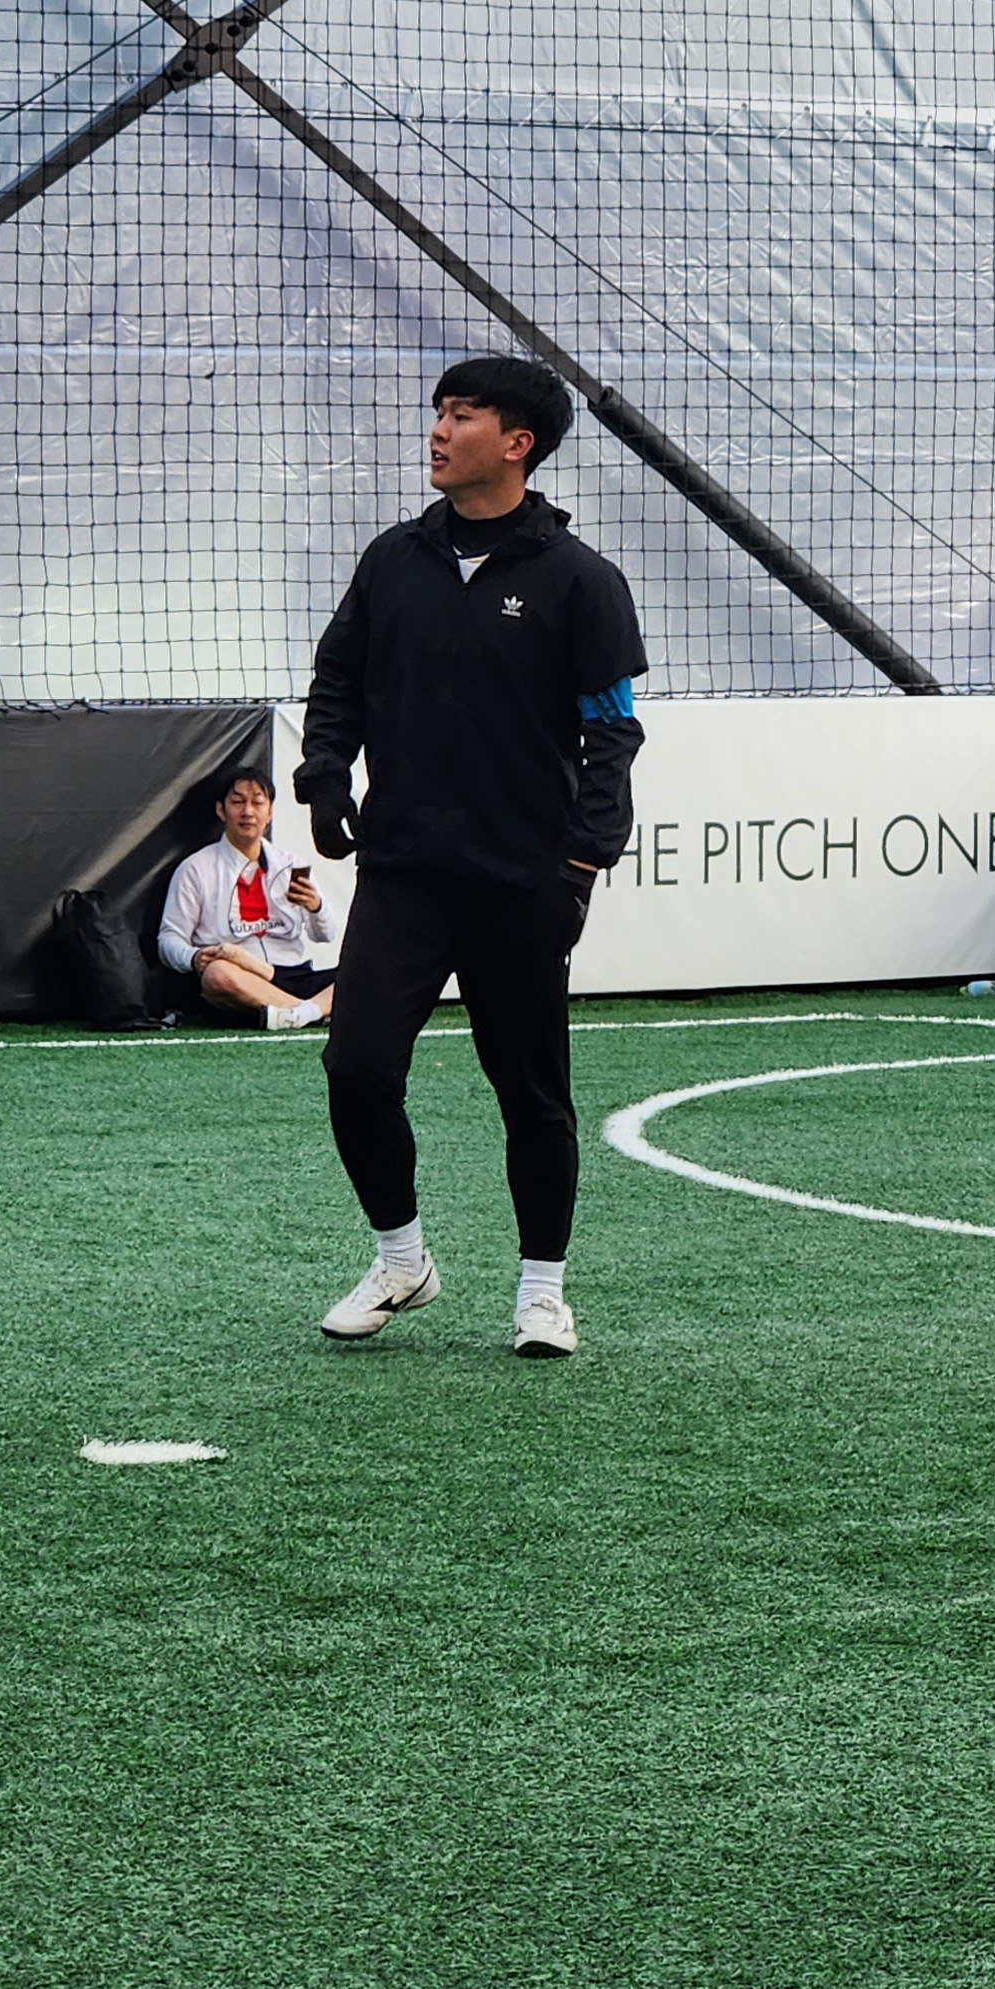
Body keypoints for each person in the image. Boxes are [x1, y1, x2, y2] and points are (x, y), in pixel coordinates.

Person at [293, 355, 643, 1359]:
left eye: (463, 414)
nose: (439, 430)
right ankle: (402, 1262)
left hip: (523, 883)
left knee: (530, 1094)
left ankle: (543, 1294)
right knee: (356, 1068)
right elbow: (338, 678)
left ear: (518, 444)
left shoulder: (581, 580)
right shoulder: (392, 559)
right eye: (439, 412)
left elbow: (612, 732)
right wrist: (325, 774)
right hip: (403, 873)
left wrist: (582, 864)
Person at [156, 767, 332, 1029]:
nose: (248, 811)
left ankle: (294, 1014)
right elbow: (168, 940)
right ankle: (313, 1011)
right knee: (217, 975)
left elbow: (325, 935)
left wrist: (316, 907)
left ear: (270, 813)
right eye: (238, 802)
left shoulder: (291, 864)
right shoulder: (196, 868)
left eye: (257, 803)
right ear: (221, 810)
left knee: (371, 969)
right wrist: (193, 957)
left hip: (293, 973)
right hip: (241, 977)